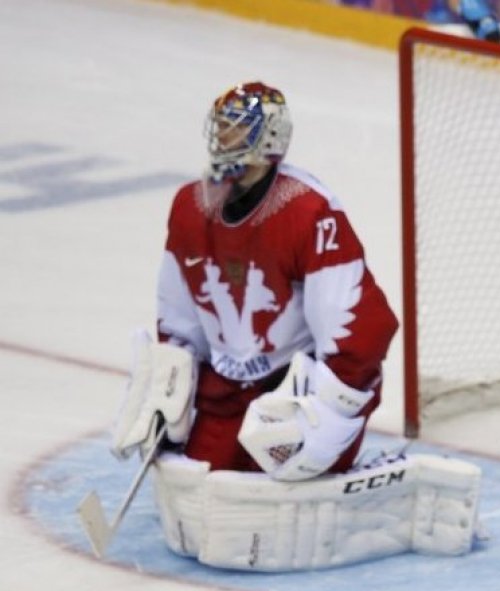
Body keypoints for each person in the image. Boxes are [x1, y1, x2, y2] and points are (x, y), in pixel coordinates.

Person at [110, 81, 398, 482]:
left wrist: (332, 410)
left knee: (283, 491)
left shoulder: (309, 211)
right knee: (200, 486)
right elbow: (178, 316)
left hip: (295, 393)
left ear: (271, 138)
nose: (225, 136)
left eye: (239, 127)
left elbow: (354, 321)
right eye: (222, 125)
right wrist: (169, 391)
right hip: (227, 393)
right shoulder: (189, 208)